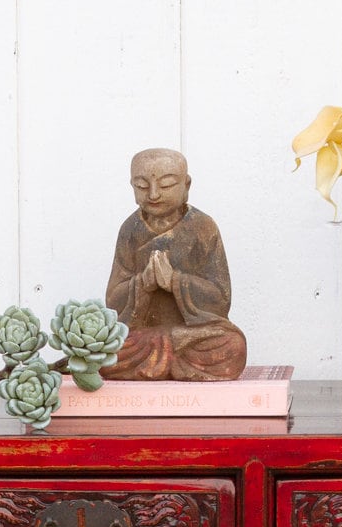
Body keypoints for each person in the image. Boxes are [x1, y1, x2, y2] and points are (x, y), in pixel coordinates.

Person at [101, 148, 248, 382]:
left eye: (167, 184)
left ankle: (157, 364)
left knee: (233, 346)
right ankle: (171, 363)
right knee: (103, 353)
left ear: (186, 185)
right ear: (132, 187)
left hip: (189, 336)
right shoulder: (130, 230)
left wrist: (175, 281)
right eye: (141, 186)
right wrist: (143, 284)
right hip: (144, 338)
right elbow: (113, 301)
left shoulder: (203, 227)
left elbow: (221, 298)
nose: (154, 194)